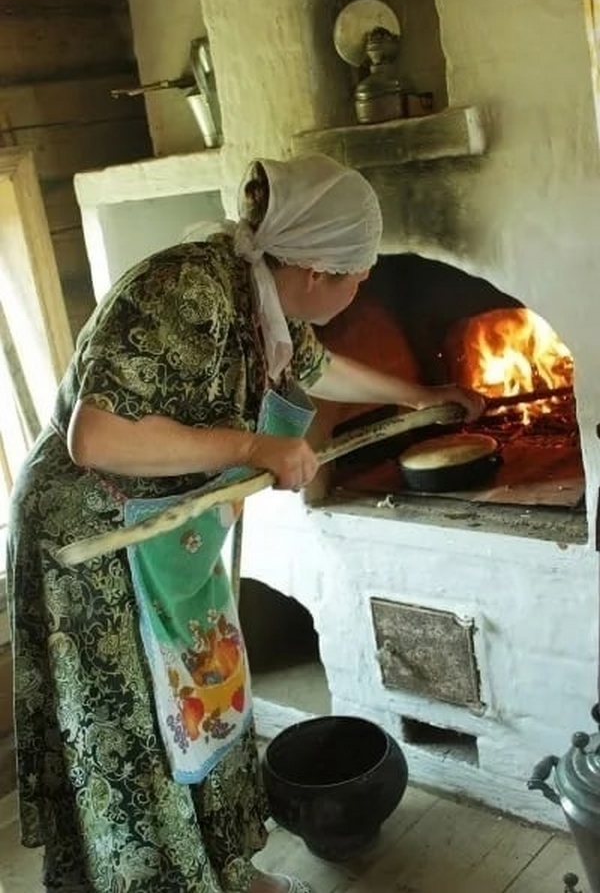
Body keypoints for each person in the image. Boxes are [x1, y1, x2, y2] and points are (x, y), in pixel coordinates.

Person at [7, 153, 484, 893]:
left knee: (203, 692)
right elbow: (95, 437)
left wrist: (421, 394)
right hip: (92, 537)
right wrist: (252, 446)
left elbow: (321, 370)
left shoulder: (265, 300)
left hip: (167, 528)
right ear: (317, 269)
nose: (363, 286)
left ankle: (223, 866)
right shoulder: (184, 289)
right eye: (357, 272)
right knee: (140, 725)